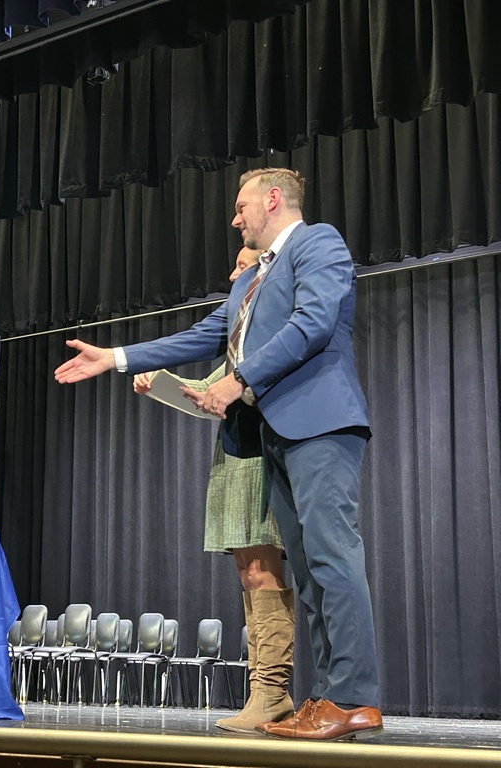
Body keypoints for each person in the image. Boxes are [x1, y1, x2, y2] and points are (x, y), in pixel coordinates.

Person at [55, 167, 381, 741]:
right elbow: (202, 336)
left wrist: (238, 381)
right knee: (309, 572)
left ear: (273, 200)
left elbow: (312, 323)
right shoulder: (250, 280)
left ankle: (354, 698)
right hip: (275, 436)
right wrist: (115, 358)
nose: (235, 219)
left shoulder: (316, 242)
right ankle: (329, 696)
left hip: (321, 424)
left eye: (241, 206)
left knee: (332, 557)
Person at [133, 247, 294, 732]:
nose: (231, 274)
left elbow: (256, 385)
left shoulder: (271, 331)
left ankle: (273, 693)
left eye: (242, 265)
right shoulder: (238, 340)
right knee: (248, 575)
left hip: (259, 457)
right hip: (232, 458)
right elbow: (210, 392)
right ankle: (262, 692)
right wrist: (162, 383)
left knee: (262, 572)